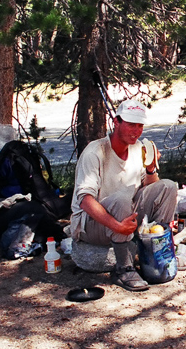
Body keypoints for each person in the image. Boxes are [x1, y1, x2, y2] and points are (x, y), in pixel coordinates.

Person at [69, 99, 178, 292]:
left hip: (126, 215)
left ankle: (157, 249)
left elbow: (149, 187)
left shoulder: (137, 148)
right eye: (131, 124)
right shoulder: (96, 152)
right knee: (121, 198)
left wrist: (151, 168)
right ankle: (123, 268)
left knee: (168, 186)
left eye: (140, 125)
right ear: (116, 122)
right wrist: (117, 226)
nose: (136, 131)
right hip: (92, 224)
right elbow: (85, 201)